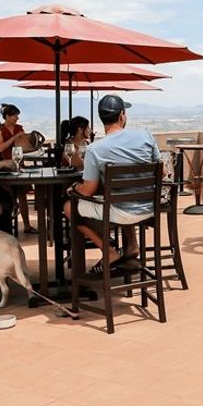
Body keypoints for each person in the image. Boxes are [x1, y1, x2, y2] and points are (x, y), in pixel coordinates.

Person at [63, 95, 159, 275]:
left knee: (69, 207)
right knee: (119, 195)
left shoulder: (95, 149)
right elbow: (160, 170)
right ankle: (131, 246)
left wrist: (75, 187)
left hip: (122, 212)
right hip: (150, 208)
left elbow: (88, 191)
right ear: (122, 115)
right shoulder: (146, 136)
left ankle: (109, 252)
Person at [0, 103, 35, 234]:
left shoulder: (20, 128)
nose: (17, 118)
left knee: (22, 194)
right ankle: (6, 224)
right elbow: (0, 147)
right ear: (7, 116)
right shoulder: (0, 130)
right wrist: (14, 138)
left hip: (18, 164)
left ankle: (27, 225)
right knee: (8, 195)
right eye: (15, 116)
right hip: (4, 165)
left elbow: (24, 146)